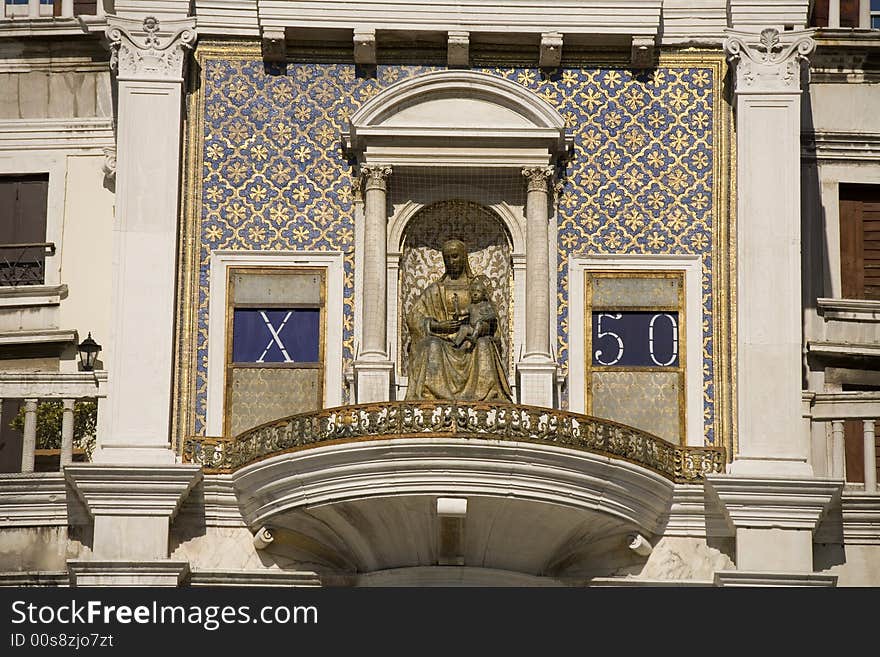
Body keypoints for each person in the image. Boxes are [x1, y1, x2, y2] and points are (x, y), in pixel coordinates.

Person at [405, 239, 512, 402]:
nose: (450, 261)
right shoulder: (435, 290)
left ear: (464, 258)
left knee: (484, 344)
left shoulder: (477, 287)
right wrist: (437, 325)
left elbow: (490, 317)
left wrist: (480, 328)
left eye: (454, 256)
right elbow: (414, 317)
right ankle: (431, 395)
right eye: (447, 258)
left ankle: (488, 395)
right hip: (441, 340)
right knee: (431, 345)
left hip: (472, 340)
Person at [452, 278, 498, 350]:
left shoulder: (486, 305)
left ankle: (473, 337)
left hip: (484, 328)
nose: (475, 293)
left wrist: (484, 318)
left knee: (479, 323)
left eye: (478, 291)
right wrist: (456, 305)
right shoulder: (471, 306)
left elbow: (493, 315)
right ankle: (456, 343)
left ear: (483, 294)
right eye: (473, 291)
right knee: (464, 327)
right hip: (472, 328)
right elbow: (461, 313)